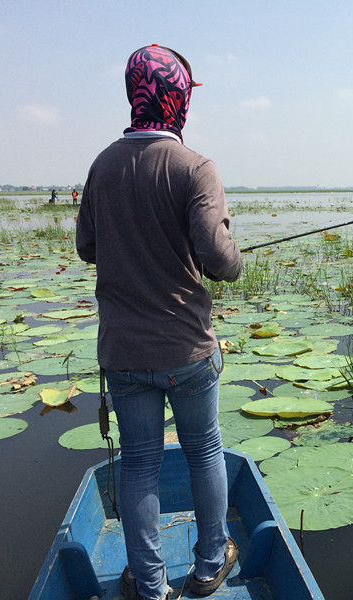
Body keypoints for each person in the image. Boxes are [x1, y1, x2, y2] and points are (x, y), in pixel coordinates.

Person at [76, 44, 243, 600]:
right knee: (205, 451)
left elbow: (87, 248)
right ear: (179, 99)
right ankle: (208, 566)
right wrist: (234, 253)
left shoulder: (101, 165)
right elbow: (221, 262)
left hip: (123, 352)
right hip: (187, 351)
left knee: (141, 462)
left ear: (135, 94)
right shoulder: (196, 167)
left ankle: (150, 587)